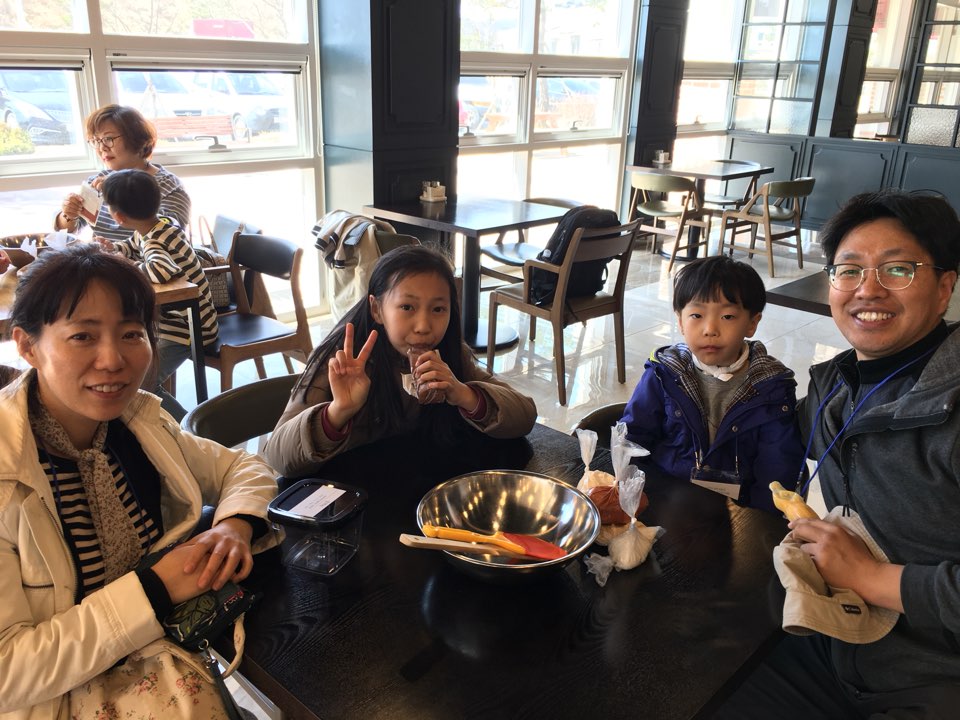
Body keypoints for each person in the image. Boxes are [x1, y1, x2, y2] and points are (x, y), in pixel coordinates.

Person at [0, 243, 277, 719]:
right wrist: (154, 589)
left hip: (168, 663)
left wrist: (234, 526)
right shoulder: (11, 471)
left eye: (131, 333)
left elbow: (242, 467)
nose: (113, 360)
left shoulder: (136, 423)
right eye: (82, 336)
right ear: (27, 346)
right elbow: (8, 672)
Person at [714, 190, 960, 718]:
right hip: (831, 637)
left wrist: (871, 577)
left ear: (944, 287)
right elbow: (766, 436)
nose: (867, 289)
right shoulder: (839, 385)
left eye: (898, 269)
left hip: (933, 681)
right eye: (849, 270)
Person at [264, 244, 537, 477]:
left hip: (414, 486)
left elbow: (524, 416)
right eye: (407, 307)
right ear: (376, 309)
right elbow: (277, 457)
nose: (424, 326)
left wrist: (463, 393)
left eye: (438, 309)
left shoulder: (449, 354)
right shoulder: (343, 360)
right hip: (352, 495)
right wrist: (337, 412)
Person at [620, 255, 805, 511]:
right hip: (665, 499)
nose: (710, 329)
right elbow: (633, 439)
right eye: (696, 315)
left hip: (738, 511)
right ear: (680, 321)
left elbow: (777, 470)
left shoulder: (771, 387)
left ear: (752, 323)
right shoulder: (664, 374)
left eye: (727, 316)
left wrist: (760, 520)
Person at [96, 168, 218, 421]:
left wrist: (128, 266)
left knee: (142, 381)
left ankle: (188, 427)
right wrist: (114, 248)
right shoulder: (160, 224)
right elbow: (133, 245)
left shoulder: (154, 240)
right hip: (184, 321)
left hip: (189, 328)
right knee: (135, 368)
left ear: (119, 217)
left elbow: (161, 269)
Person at [53, 105, 191, 242]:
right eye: (96, 140)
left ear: (137, 139)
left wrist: (119, 190)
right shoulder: (97, 181)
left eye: (108, 139)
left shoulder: (169, 186)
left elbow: (169, 234)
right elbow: (67, 231)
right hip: (101, 256)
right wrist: (69, 214)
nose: (101, 148)